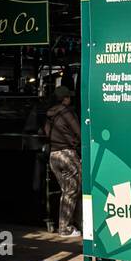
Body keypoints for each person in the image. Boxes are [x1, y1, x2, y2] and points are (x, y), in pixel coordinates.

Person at [44, 85, 82, 237]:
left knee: (67, 192)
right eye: (69, 96)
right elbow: (79, 132)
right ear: (65, 98)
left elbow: (45, 132)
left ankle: (72, 224)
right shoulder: (67, 113)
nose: (70, 98)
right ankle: (65, 228)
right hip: (68, 155)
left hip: (54, 156)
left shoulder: (49, 115)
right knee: (72, 191)